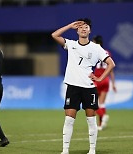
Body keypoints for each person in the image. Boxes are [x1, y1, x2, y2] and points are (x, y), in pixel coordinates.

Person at [51, 18, 115, 154]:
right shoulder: (71, 44)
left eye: (86, 27)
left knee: (91, 121)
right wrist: (69, 26)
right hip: (73, 87)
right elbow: (54, 35)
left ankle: (92, 150)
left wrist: (100, 78)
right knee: (69, 120)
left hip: (89, 88)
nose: (83, 29)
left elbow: (111, 64)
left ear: (90, 30)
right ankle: (65, 150)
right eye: (80, 27)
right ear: (77, 30)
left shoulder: (96, 48)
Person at [92, 35, 117, 131]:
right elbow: (111, 69)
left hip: (98, 79)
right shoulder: (107, 52)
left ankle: (103, 115)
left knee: (93, 103)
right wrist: (113, 83)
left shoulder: (95, 52)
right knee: (102, 104)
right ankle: (101, 125)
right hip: (106, 80)